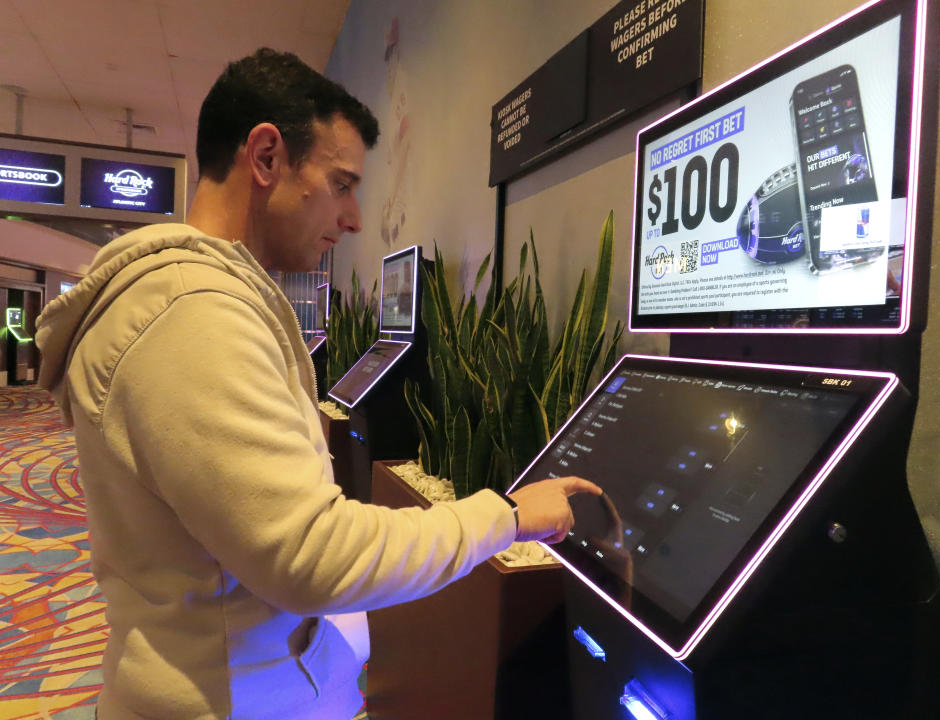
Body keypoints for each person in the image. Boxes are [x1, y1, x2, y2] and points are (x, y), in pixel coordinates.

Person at [36, 48, 600, 719]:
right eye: (341, 183)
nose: (355, 217)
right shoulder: (190, 317)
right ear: (267, 158)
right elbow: (311, 556)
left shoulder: (202, 303)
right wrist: (504, 518)